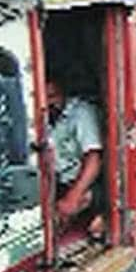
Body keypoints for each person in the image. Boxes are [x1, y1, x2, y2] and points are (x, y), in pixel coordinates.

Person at [47, 77, 105, 238]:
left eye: (53, 96)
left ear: (64, 93)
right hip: (58, 182)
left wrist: (73, 197)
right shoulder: (45, 118)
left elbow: (93, 158)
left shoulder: (81, 114)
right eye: (44, 98)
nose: (49, 102)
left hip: (88, 183)